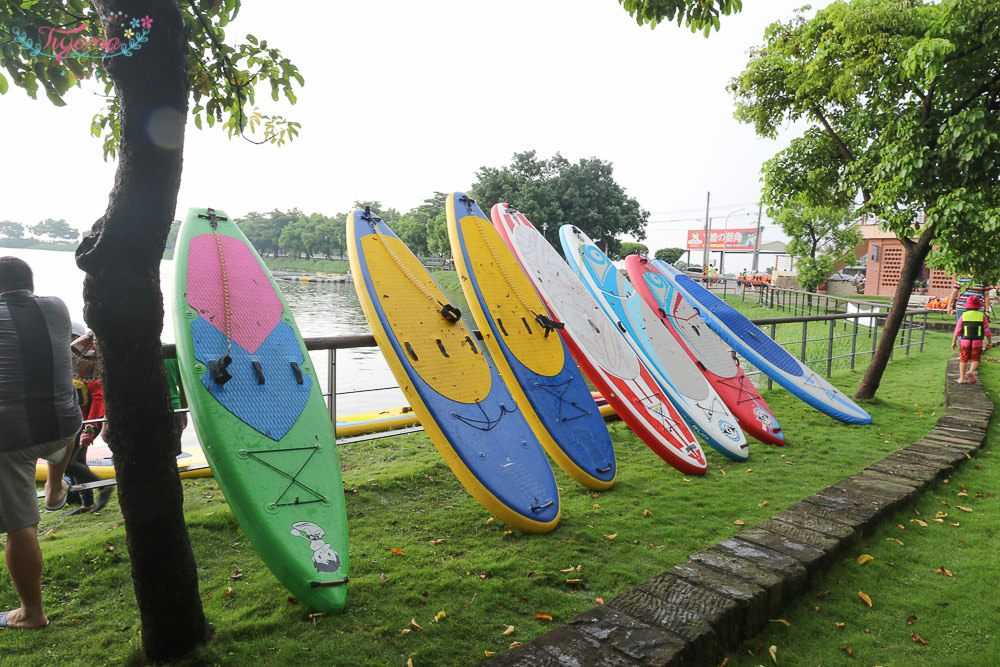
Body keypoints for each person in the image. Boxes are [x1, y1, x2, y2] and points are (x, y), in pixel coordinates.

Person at [0, 257, 81, 629]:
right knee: (69, 413)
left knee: (21, 526)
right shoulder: (57, 307)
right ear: (29, 285)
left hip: (10, 441)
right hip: (63, 428)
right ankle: (53, 485)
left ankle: (32, 613)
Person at [952, 294, 992, 384]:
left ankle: (962, 378)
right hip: (977, 341)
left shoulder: (964, 316)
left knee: (963, 358)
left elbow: (957, 330)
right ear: (978, 306)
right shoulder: (982, 316)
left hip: (965, 341)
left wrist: (954, 342)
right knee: (975, 358)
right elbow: (987, 331)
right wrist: (989, 342)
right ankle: (971, 371)